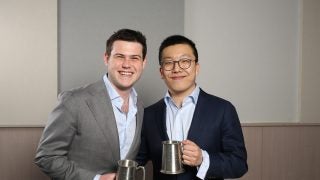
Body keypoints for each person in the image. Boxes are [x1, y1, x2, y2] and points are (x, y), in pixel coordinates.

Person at [35, 28, 147, 180]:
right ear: (106, 58)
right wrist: (96, 179)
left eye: (134, 58)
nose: (127, 64)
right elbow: (47, 157)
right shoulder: (73, 100)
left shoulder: (139, 106)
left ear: (143, 63)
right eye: (120, 56)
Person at [136, 35, 248, 180]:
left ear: (197, 68)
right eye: (169, 63)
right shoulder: (149, 114)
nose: (177, 68)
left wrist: (203, 159)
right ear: (161, 72)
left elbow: (239, 164)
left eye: (185, 61)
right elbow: (137, 161)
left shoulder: (223, 109)